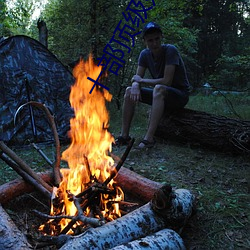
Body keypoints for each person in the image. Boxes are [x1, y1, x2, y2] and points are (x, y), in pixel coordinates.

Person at [115, 22, 191, 148]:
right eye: (150, 40)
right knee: (129, 91)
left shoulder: (170, 50)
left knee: (159, 88)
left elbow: (167, 81)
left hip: (179, 95)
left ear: (161, 37)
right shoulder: (144, 54)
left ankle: (149, 138)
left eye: (157, 39)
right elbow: (136, 78)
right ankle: (124, 136)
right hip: (160, 95)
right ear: (145, 41)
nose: (154, 43)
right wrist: (134, 85)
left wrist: (140, 81)